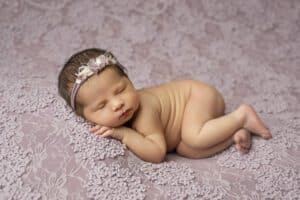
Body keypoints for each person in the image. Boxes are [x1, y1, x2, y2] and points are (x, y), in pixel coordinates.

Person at [58, 48, 272, 163]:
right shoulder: (120, 110)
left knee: (193, 136)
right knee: (187, 150)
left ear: (130, 81)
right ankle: (235, 131)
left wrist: (124, 134)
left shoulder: (143, 111)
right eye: (102, 105)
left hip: (198, 96)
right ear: (85, 116)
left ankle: (241, 116)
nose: (117, 103)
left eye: (121, 90)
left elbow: (158, 152)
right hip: (184, 122)